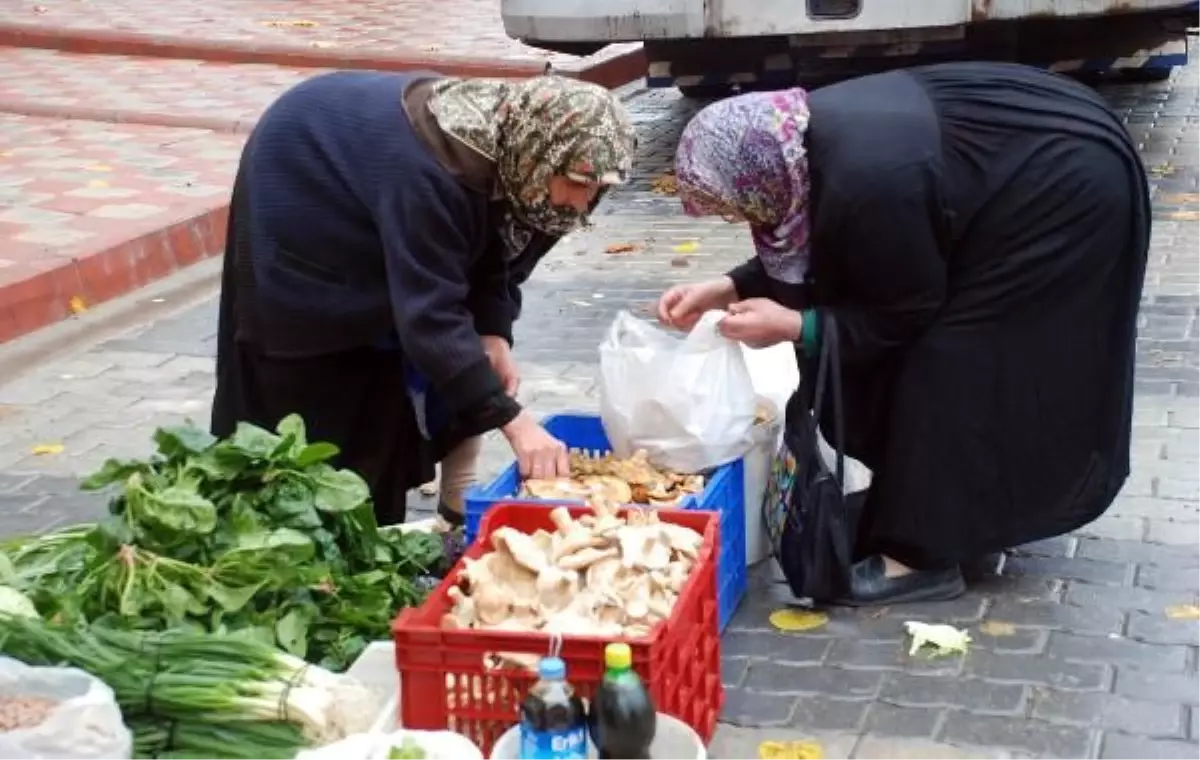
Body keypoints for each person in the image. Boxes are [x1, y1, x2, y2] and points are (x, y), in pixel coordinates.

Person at [657, 62, 1150, 605]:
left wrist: (799, 325)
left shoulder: (867, 180)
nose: (738, 219)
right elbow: (834, 243)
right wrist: (725, 286)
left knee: (952, 358)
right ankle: (952, 512)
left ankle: (918, 559)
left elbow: (903, 313)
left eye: (736, 205)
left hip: (1064, 193)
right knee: (947, 357)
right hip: (1022, 161)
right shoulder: (797, 141)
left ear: (756, 174)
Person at [211, 71, 637, 526]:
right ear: (542, 155)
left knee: (398, 390)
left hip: (379, 202)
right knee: (318, 401)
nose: (582, 201)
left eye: (598, 187)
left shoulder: (527, 161)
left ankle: (401, 520)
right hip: (304, 192)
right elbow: (431, 318)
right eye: (576, 182)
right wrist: (513, 421)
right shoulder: (432, 174)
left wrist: (493, 332)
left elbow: (493, 253)